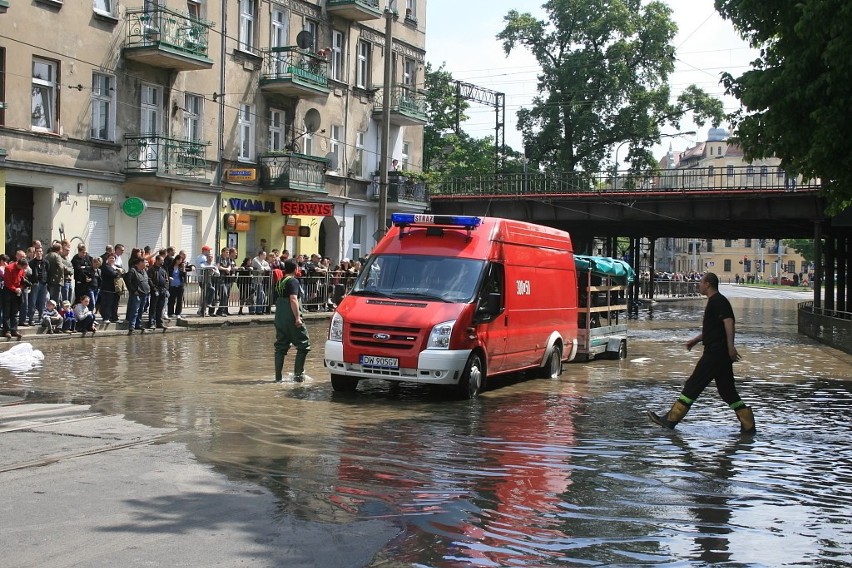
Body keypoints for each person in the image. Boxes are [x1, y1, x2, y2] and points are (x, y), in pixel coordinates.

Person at [647, 272, 755, 434]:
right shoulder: (714, 302)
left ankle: (670, 419)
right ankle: (748, 424)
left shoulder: (718, 301)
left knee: (693, 385)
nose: (698, 285)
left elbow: (729, 322)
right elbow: (713, 330)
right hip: (719, 354)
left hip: (715, 353)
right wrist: (696, 340)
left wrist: (731, 346)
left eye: (701, 282)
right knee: (727, 391)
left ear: (708, 284)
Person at [273, 259, 311, 382]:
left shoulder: (280, 281)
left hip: (279, 317)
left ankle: (278, 378)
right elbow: (293, 299)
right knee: (303, 345)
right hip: (291, 316)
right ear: (295, 269)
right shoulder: (293, 281)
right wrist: (297, 318)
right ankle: (298, 376)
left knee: (280, 347)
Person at [2, 257, 29, 339]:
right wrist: (15, 289)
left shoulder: (22, 270)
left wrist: (20, 288)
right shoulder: (9, 268)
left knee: (14, 311)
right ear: (19, 265)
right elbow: (7, 282)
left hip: (17, 291)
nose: (24, 269)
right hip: (8, 291)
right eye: (23, 267)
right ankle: (6, 330)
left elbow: (22, 280)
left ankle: (14, 329)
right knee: (7, 311)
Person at [125, 257, 150, 334]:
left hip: (144, 293)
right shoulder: (133, 271)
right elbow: (128, 281)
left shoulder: (144, 271)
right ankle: (132, 325)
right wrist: (133, 290)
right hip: (137, 294)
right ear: (139, 263)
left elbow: (146, 280)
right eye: (144, 262)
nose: (145, 264)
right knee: (135, 310)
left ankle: (138, 324)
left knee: (141, 310)